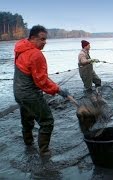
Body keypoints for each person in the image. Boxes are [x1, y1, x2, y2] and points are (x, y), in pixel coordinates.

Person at [13, 25, 70, 156]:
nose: (45, 42)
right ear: (33, 38)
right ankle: (44, 152)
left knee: (27, 120)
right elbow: (42, 82)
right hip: (30, 94)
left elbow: (38, 76)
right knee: (47, 121)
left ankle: (28, 144)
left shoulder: (20, 47)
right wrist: (58, 90)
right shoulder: (36, 54)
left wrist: (55, 87)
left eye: (45, 39)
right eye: (42, 39)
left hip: (18, 92)